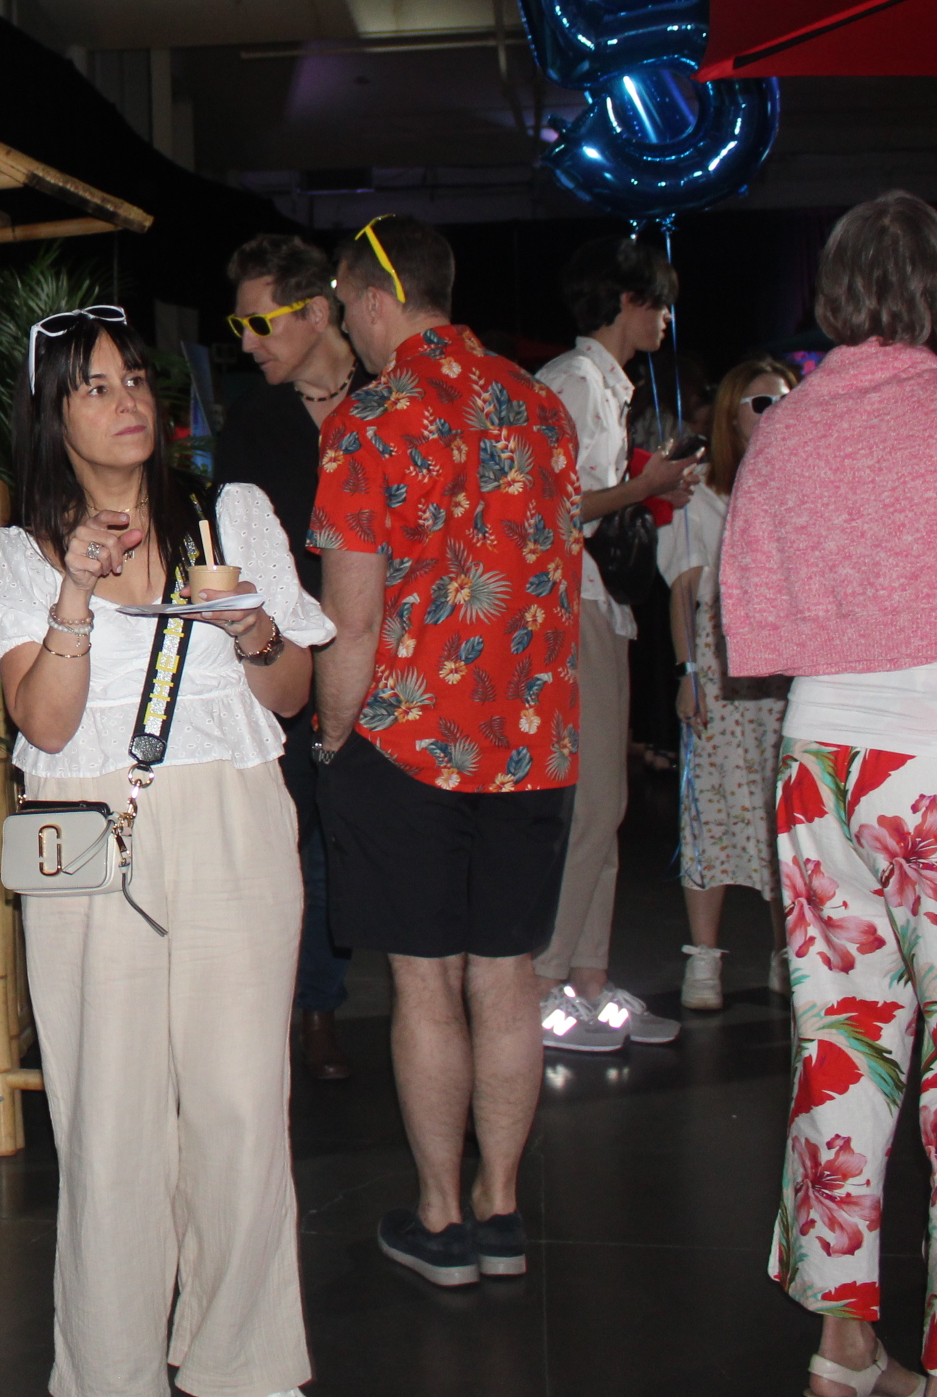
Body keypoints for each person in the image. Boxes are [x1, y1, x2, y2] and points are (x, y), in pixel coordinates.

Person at [724, 190, 937, 1397]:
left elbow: (751, 614)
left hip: (821, 761)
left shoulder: (786, 426)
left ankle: (843, 1340)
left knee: (844, 1045)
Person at [0, 304, 334, 1397]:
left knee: (240, 1097)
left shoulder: (233, 514)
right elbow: (43, 717)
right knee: (108, 1109)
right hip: (88, 828)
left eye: (135, 379)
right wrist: (74, 594)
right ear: (53, 415)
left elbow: (293, 693)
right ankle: (115, 1374)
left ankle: (249, 1353)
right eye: (95, 386)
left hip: (233, 815)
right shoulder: (14, 555)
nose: (127, 402)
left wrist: (251, 627)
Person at [308, 214, 582, 1294]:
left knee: (424, 982)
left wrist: (332, 735)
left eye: (343, 305)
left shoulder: (371, 419)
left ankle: (439, 1217)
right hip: (533, 737)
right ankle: (502, 1209)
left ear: (377, 299)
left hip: (408, 738)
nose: (345, 326)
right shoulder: (541, 406)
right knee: (506, 975)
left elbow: (354, 619)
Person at [532, 235, 699, 1053]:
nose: (665, 318)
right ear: (628, 300)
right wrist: (645, 484)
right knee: (593, 804)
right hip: (572, 604)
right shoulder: (573, 380)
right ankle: (541, 985)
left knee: (607, 803)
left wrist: (646, 485)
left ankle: (586, 981)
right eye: (659, 302)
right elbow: (548, 505)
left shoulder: (598, 382)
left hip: (600, 603)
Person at [221, 231, 361, 1083]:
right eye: (238, 325)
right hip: (289, 664)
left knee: (361, 840)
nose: (246, 342)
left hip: (393, 661)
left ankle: (332, 999)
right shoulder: (254, 422)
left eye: (260, 322)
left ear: (315, 311)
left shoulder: (387, 399)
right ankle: (311, 1009)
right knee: (292, 834)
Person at [660, 356, 797, 1012]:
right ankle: (705, 960)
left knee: (784, 817)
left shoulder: (802, 486)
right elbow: (683, 592)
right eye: (763, 403)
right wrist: (687, 673)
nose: (776, 413)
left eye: (786, 400)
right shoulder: (702, 493)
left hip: (786, 675)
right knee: (708, 811)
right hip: (721, 671)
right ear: (733, 415)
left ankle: (785, 952)